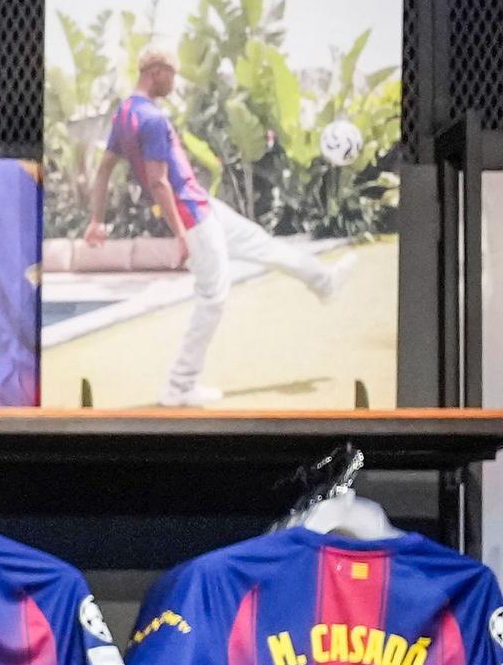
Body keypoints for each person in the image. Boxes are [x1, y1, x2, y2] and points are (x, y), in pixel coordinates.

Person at [83, 40, 339, 404]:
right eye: (172, 76)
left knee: (260, 242)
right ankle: (180, 386)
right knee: (213, 297)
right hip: (191, 217)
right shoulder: (153, 119)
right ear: (157, 73)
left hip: (203, 206)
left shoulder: (124, 113)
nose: (174, 84)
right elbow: (158, 182)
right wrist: (180, 235)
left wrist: (96, 220)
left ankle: (323, 281)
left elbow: (104, 170)